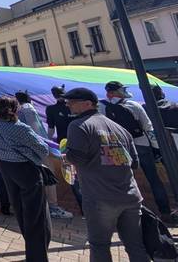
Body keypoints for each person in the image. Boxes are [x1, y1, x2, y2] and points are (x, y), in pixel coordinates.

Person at [64, 87, 149, 262]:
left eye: (72, 102)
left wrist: (66, 151)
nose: (68, 105)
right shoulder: (119, 128)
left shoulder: (78, 125)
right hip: (130, 196)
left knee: (100, 245)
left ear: (88, 104)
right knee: (135, 245)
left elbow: (77, 158)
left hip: (99, 197)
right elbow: (134, 163)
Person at [100, 80, 176, 223]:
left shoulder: (101, 107)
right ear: (118, 91)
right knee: (153, 179)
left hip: (117, 147)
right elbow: (148, 128)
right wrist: (156, 149)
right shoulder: (134, 105)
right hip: (141, 144)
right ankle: (165, 211)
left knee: (125, 181)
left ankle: (133, 214)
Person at [0, 96, 51, 262]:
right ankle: (37, 256)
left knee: (20, 209)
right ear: (14, 109)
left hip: (5, 166)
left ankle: (32, 249)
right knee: (36, 214)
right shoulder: (20, 128)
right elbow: (43, 150)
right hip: (25, 169)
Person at [15, 91, 73, 220]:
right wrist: (46, 147)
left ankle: (44, 205)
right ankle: (53, 207)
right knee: (49, 176)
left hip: (31, 149)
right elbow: (36, 130)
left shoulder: (20, 110)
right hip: (39, 148)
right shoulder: (28, 109)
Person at [46, 85, 84, 214]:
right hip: (81, 142)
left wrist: (48, 143)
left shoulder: (51, 109)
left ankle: (84, 207)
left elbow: (51, 130)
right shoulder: (76, 107)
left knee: (73, 176)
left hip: (64, 145)